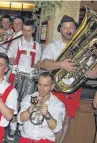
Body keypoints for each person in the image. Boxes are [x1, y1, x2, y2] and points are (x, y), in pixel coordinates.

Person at [38, 15, 97, 143]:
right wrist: (61, 64)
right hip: (55, 90)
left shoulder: (85, 48)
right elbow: (44, 64)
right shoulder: (53, 45)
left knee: (66, 120)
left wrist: (90, 73)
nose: (68, 30)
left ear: (76, 29)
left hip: (73, 91)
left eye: (71, 27)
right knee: (50, 119)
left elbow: (94, 70)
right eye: (65, 27)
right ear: (60, 30)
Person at [7, 19, 42, 140]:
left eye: (29, 30)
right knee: (14, 102)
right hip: (16, 75)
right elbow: (9, 54)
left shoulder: (37, 45)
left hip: (30, 77)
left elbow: (37, 62)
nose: (26, 33)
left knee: (26, 103)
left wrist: (39, 64)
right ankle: (12, 128)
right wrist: (11, 59)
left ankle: (22, 128)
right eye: (24, 30)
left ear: (33, 30)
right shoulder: (17, 42)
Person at [17, 72, 66, 143]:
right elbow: (20, 119)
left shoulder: (58, 104)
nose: (41, 89)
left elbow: (56, 129)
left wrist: (47, 115)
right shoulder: (29, 98)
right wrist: (30, 110)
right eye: (40, 84)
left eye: (45, 85)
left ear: (52, 86)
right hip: (26, 140)